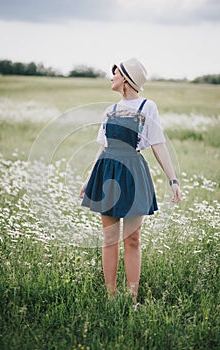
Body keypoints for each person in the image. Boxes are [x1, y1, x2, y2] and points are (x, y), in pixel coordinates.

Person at [79, 58, 181, 302]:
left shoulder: (148, 107)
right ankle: (111, 297)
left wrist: (173, 180)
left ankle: (132, 298)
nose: (111, 78)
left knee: (132, 239)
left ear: (125, 78)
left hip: (133, 173)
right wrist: (89, 178)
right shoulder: (110, 110)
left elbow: (158, 144)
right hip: (107, 173)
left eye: (114, 74)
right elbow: (102, 147)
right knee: (109, 238)